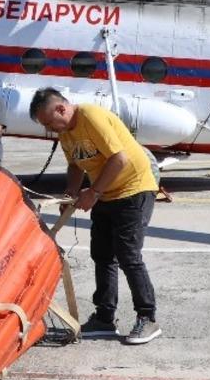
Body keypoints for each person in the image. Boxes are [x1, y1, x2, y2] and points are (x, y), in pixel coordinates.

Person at [28, 87, 161, 345]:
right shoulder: (66, 133)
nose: (50, 129)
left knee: (128, 255)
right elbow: (75, 165)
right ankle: (104, 317)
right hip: (107, 193)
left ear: (61, 108)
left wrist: (95, 192)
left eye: (49, 122)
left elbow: (119, 158)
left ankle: (148, 317)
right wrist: (70, 194)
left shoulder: (91, 116)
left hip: (134, 188)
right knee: (102, 255)